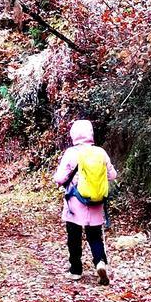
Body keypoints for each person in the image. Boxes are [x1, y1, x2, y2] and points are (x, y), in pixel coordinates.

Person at [53, 118, 117, 284]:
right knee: (95, 237)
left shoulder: (71, 153)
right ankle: (100, 262)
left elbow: (59, 178)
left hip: (75, 203)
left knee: (73, 236)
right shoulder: (101, 152)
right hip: (96, 203)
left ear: (74, 134)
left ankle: (76, 270)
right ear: (90, 134)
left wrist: (64, 181)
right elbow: (112, 175)